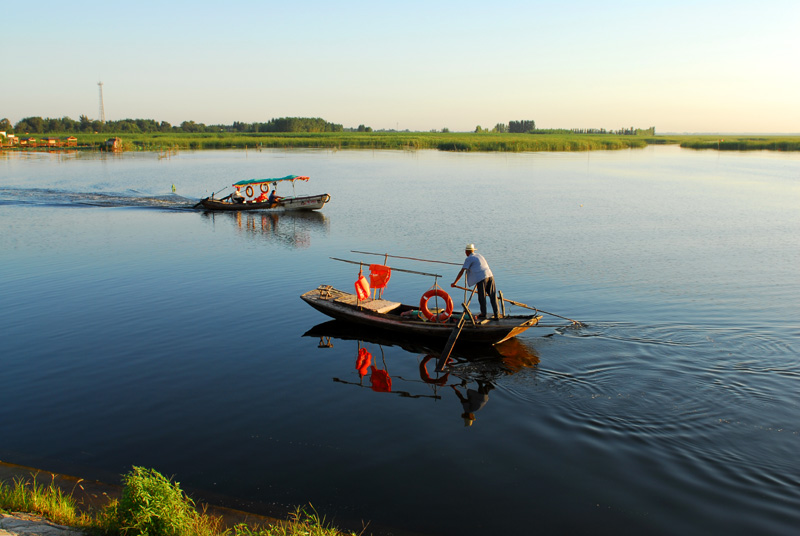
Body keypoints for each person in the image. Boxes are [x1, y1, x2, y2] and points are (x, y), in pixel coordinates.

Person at [451, 243, 499, 320]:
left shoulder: (468, 259)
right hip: (490, 275)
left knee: (482, 296)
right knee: (492, 295)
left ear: (467, 252)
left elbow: (462, 271)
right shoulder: (479, 255)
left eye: (465, 251)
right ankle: (497, 314)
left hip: (481, 278)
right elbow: (479, 267)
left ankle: (483, 314)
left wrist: (455, 283)